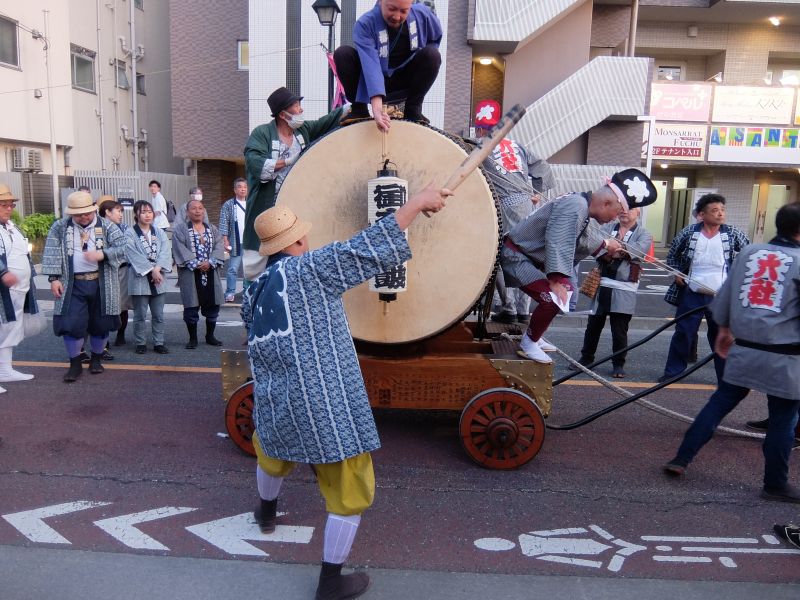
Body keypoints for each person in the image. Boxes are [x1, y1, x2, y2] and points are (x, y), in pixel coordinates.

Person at [242, 184, 450, 600]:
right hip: (323, 400)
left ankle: (265, 512)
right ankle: (331, 581)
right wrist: (416, 203)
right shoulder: (311, 269)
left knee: (272, 450)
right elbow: (366, 247)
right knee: (350, 485)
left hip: (276, 395)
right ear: (297, 241)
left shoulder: (255, 289)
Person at [662, 202, 800, 504]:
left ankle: (682, 458)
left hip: (744, 347)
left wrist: (724, 328)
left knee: (719, 403)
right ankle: (775, 484)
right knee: (784, 419)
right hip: (786, 355)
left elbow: (725, 295)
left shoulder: (751, 253)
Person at [500, 169, 657, 364]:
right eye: (616, 213)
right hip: (516, 257)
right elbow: (559, 240)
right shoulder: (576, 205)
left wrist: (603, 246)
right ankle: (529, 343)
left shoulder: (579, 203)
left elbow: (581, 237)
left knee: (566, 290)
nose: (614, 219)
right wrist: (555, 280)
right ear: (607, 203)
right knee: (553, 299)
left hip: (523, 256)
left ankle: (535, 335)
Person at [242, 87, 344, 281]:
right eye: (296, 106)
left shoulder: (302, 131)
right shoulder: (262, 133)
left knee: (296, 263)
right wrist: (289, 161)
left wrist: (357, 103)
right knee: (260, 267)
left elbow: (327, 122)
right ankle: (256, 296)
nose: (301, 109)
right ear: (283, 114)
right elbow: (257, 164)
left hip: (294, 211)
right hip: (267, 209)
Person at [472, 100, 555, 324]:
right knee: (526, 256)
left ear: (480, 129)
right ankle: (523, 310)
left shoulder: (480, 146)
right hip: (526, 204)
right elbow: (543, 167)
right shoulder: (516, 145)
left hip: (506, 206)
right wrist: (537, 192)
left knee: (502, 256)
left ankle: (508, 307)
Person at [658, 194, 749, 383]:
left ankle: (726, 378)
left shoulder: (733, 233)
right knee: (684, 332)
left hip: (721, 294)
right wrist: (676, 273)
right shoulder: (688, 232)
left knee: (721, 335)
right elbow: (673, 255)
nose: (720, 214)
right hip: (692, 291)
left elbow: (748, 255)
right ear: (702, 214)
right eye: (715, 210)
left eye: (722, 210)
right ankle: (673, 373)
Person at [42, 191, 126, 382]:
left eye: (87, 213)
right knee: (71, 323)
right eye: (78, 214)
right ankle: (75, 363)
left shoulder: (107, 226)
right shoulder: (60, 226)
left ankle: (96, 359)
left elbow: (124, 247)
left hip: (102, 282)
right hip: (72, 283)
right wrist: (54, 278)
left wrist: (103, 254)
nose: (83, 217)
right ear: (71, 213)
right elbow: (52, 250)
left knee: (101, 323)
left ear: (93, 210)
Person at [334, 0, 442, 130]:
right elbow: (371, 64)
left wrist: (423, 60)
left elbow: (435, 37)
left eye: (403, 11)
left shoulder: (422, 14)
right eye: (392, 9)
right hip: (370, 82)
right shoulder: (365, 23)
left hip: (405, 80)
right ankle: (359, 109)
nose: (397, 16)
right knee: (343, 54)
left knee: (432, 55)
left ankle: (413, 109)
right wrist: (377, 108)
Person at [574, 208, 653, 378]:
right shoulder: (608, 227)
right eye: (623, 208)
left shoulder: (644, 233)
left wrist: (613, 249)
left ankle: (618, 364)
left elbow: (637, 252)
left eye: (630, 209)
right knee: (593, 325)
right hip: (602, 284)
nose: (625, 212)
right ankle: (586, 358)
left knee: (619, 330)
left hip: (624, 287)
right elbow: (595, 245)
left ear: (638, 213)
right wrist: (613, 251)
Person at [172, 199, 225, 349]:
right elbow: (179, 248)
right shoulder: (181, 229)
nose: (197, 211)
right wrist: (195, 263)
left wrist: (210, 262)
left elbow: (219, 245)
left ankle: (210, 336)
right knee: (191, 306)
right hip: (190, 273)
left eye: (200, 208)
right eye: (194, 208)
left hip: (211, 271)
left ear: (204, 211)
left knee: (212, 305)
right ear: (187, 212)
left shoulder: (212, 229)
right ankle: (193, 338)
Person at [0, 184, 37, 389]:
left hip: (18, 288)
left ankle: (4, 369)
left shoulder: (12, 226)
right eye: (4, 205)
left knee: (10, 329)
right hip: (3, 289)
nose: (9, 208)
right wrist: (3, 272)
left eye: (11, 205)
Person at [126, 200, 173, 354]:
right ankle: (140, 342)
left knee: (158, 314)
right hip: (139, 278)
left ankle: (159, 342)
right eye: (143, 212)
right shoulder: (130, 233)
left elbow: (165, 251)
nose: (147, 215)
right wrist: (151, 270)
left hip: (158, 277)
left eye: (150, 212)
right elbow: (131, 253)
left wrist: (157, 269)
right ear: (136, 214)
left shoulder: (159, 232)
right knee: (140, 314)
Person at [98, 197, 131, 348]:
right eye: (118, 211)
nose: (121, 214)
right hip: (102, 271)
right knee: (102, 306)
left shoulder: (124, 228)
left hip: (122, 270)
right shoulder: (96, 228)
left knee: (122, 305)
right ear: (107, 212)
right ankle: (103, 341)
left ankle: (121, 334)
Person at [218, 178, 248, 303]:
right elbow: (224, 222)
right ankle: (230, 292)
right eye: (240, 187)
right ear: (235, 190)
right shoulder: (229, 204)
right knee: (232, 269)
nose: (242, 189)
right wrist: (225, 240)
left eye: (245, 187)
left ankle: (247, 291)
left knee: (249, 269)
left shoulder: (251, 203)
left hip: (249, 242)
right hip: (235, 241)